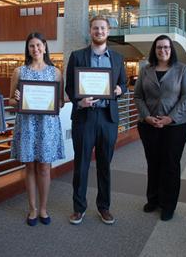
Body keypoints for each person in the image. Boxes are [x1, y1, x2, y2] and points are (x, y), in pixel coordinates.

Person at [65, 16, 127, 225]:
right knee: (81, 164)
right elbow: (70, 87)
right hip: (84, 117)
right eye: (95, 28)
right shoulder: (77, 56)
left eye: (102, 28)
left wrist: (119, 90)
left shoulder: (118, 58)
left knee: (104, 165)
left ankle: (104, 207)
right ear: (90, 31)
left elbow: (124, 84)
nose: (99, 31)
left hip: (108, 118)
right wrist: (79, 102)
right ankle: (78, 208)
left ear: (108, 31)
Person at [133, 34, 186, 221]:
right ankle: (153, 200)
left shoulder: (182, 69)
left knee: (170, 165)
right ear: (154, 50)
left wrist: (169, 118)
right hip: (149, 125)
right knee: (153, 163)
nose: (163, 50)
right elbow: (138, 97)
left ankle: (168, 205)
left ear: (171, 49)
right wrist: (147, 116)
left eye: (166, 47)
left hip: (176, 126)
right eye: (159, 47)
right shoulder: (145, 70)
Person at [9, 32, 65, 226]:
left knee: (44, 167)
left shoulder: (56, 72)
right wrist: (16, 98)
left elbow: (61, 102)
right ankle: (32, 208)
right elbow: (10, 100)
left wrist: (55, 101)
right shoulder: (19, 72)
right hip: (27, 124)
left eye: (39, 45)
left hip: (47, 125)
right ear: (28, 49)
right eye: (31, 46)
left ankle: (43, 208)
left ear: (45, 46)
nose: (36, 49)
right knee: (30, 166)